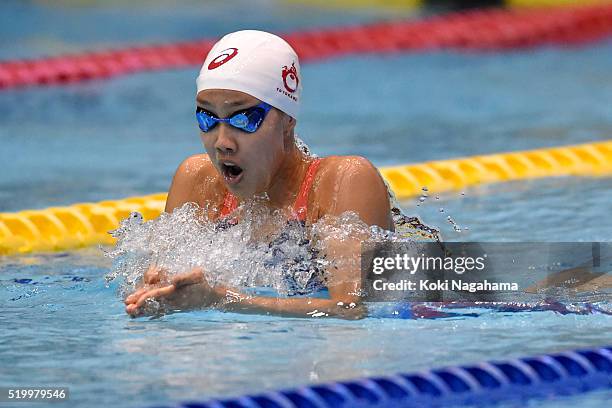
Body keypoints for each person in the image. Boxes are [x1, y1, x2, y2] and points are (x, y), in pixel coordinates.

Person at [124, 30, 393, 318]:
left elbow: (352, 310)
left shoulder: (341, 182)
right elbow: (174, 284)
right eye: (207, 118)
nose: (222, 141)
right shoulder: (198, 181)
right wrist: (156, 286)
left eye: (244, 119)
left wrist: (224, 300)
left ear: (288, 118)